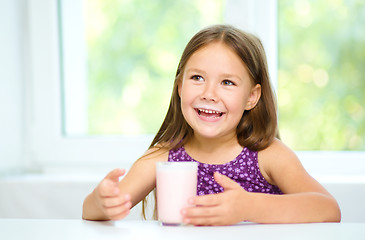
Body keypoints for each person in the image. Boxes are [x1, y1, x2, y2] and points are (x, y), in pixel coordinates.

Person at [82, 24, 341, 225]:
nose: (209, 93)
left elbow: (329, 209)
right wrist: (101, 203)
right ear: (180, 87)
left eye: (227, 82)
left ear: (252, 96)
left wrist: (249, 207)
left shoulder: (268, 156)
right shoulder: (164, 158)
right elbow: (92, 212)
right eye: (197, 78)